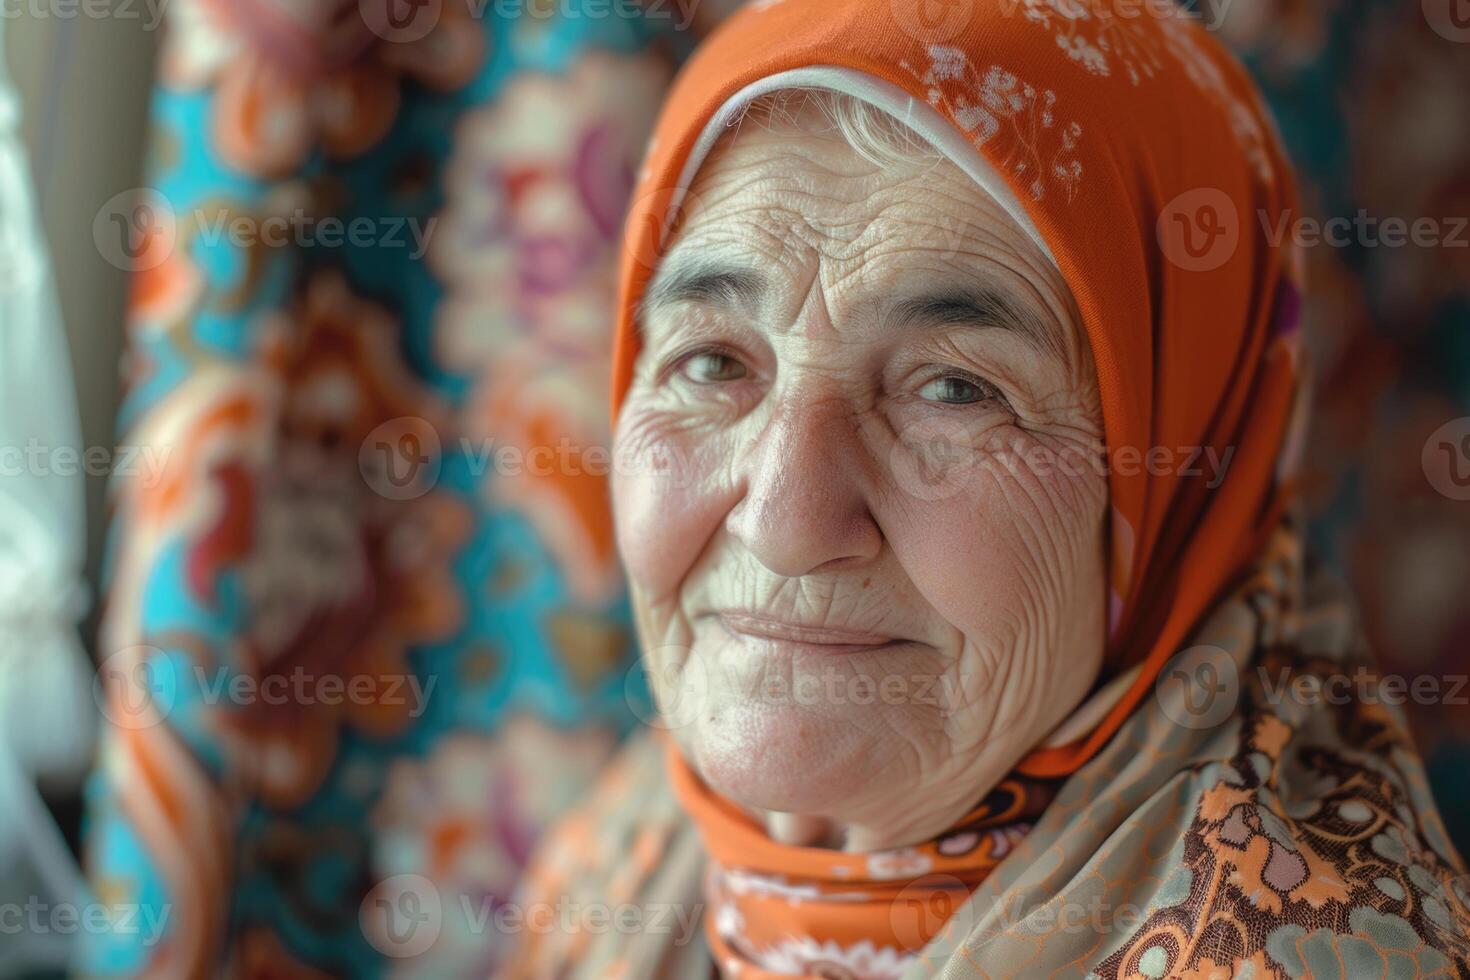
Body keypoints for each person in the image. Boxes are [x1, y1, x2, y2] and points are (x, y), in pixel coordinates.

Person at [505, 0, 1470, 976]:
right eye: (713, 363)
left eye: (956, 389)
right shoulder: (621, 861)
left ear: (1180, 478)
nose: (785, 523)